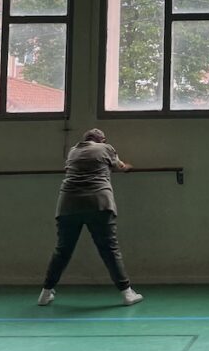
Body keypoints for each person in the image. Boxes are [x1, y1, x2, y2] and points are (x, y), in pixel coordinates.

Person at [38, 128, 143, 306]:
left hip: (68, 205)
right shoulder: (106, 148)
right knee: (109, 249)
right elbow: (120, 166)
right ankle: (127, 293)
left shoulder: (73, 151)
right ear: (102, 140)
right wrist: (127, 167)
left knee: (62, 250)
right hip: (99, 203)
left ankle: (45, 294)